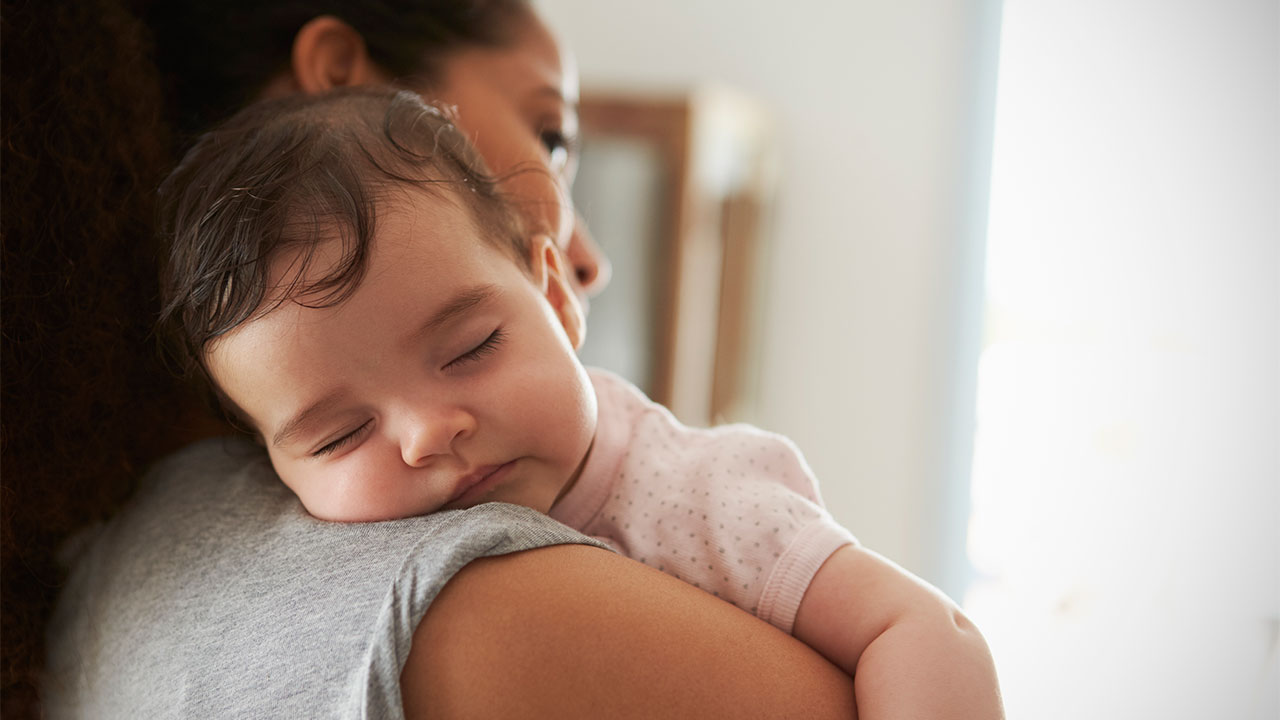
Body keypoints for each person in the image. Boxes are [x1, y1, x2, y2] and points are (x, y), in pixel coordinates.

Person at [31, 1, 869, 717]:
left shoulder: (98, 574)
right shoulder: (477, 613)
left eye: (471, 347)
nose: (590, 261)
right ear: (343, 77)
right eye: (550, 136)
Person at [152, 86, 1005, 718]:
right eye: (341, 435)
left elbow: (925, 631)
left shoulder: (701, 496)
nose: (426, 434)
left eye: (470, 349)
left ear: (556, 297)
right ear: (270, 463)